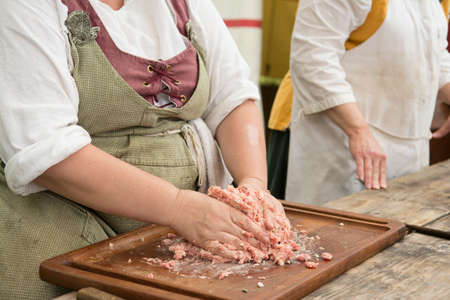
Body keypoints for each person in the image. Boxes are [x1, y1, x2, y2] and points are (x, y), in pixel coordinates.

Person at [0, 0, 284, 298]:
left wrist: (253, 186)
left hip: (184, 235)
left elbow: (232, 96)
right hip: (68, 234)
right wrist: (178, 207)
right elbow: (45, 148)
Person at [268, 0, 450, 204]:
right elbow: (312, 58)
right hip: (337, 137)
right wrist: (357, 130)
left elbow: (434, 52)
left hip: (406, 149)